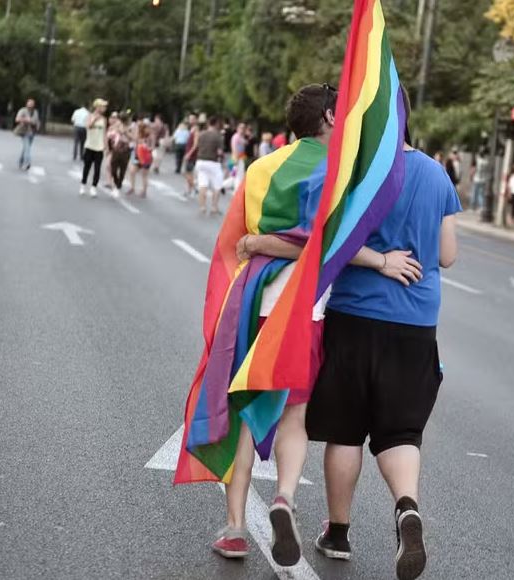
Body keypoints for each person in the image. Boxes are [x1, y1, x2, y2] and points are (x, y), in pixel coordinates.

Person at [206, 83, 419, 568]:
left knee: (246, 412)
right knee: (295, 417)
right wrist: (383, 261)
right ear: (327, 115)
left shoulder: (261, 168)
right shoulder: (338, 174)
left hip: (254, 304)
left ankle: (236, 528)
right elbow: (320, 245)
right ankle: (283, 497)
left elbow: (239, 241)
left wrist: (260, 243)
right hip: (304, 311)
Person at [306, 88, 460, 580]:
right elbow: (447, 255)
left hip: (355, 315)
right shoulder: (437, 174)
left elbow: (330, 239)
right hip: (415, 323)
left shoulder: (358, 170)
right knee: (400, 431)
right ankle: (407, 507)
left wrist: (377, 256)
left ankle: (338, 532)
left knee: (346, 429)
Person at [193, 116, 224, 216]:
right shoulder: (218, 136)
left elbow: (197, 146)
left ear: (208, 124)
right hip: (213, 162)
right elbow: (219, 152)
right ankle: (214, 207)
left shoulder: (201, 134)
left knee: (203, 184)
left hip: (201, 161)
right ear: (216, 124)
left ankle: (202, 207)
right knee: (217, 185)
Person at [80, 98, 108, 198]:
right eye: (103, 106)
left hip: (99, 147)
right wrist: (95, 119)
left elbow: (104, 133)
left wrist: (106, 146)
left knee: (97, 168)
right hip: (89, 145)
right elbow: (88, 126)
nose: (104, 108)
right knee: (86, 167)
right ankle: (83, 184)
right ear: (97, 107)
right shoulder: (89, 116)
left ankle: (93, 187)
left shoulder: (104, 119)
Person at [107, 113, 132, 198]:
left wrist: (125, 132)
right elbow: (109, 133)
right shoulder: (116, 125)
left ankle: (118, 186)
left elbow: (134, 137)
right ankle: (117, 182)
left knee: (122, 169)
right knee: (113, 168)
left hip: (126, 150)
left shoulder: (131, 127)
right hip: (116, 149)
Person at [15, 98, 41, 171]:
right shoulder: (23, 110)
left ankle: (20, 162)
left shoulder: (35, 112)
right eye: (29, 103)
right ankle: (27, 163)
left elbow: (35, 121)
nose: (30, 104)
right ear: (27, 104)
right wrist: (26, 120)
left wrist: (32, 121)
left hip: (32, 132)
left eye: (32, 103)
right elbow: (17, 119)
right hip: (24, 131)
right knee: (27, 148)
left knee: (26, 148)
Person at [129, 123, 152, 197]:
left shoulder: (149, 137)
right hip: (137, 156)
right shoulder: (138, 136)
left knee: (144, 175)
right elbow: (133, 140)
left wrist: (146, 148)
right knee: (132, 171)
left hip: (145, 157)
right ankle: (132, 187)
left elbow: (152, 147)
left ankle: (144, 191)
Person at [182, 113, 200, 197]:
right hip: (188, 152)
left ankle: (194, 188)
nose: (190, 120)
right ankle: (189, 190)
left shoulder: (196, 130)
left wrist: (189, 154)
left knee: (186, 172)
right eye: (190, 119)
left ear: (196, 120)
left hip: (191, 155)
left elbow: (196, 144)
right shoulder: (191, 129)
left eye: (192, 119)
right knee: (189, 173)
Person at [470, 147, 491, 211]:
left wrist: (471, 176)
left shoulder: (477, 160)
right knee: (481, 194)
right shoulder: (486, 161)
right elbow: (488, 171)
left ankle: (473, 207)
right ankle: (481, 207)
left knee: (474, 193)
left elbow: (473, 170)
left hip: (476, 179)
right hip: (483, 179)